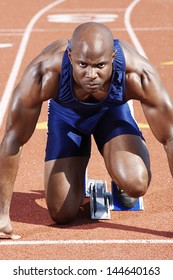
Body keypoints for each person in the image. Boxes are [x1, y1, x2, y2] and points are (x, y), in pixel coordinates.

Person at [0, 22, 173, 239]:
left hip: (111, 113)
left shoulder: (138, 74)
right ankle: (76, 169)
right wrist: (2, 216)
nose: (90, 74)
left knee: (136, 184)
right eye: (83, 64)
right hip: (67, 117)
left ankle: (121, 169)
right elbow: (13, 138)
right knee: (62, 214)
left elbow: (170, 137)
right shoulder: (44, 73)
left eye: (100, 66)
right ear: (70, 56)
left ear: (113, 58)